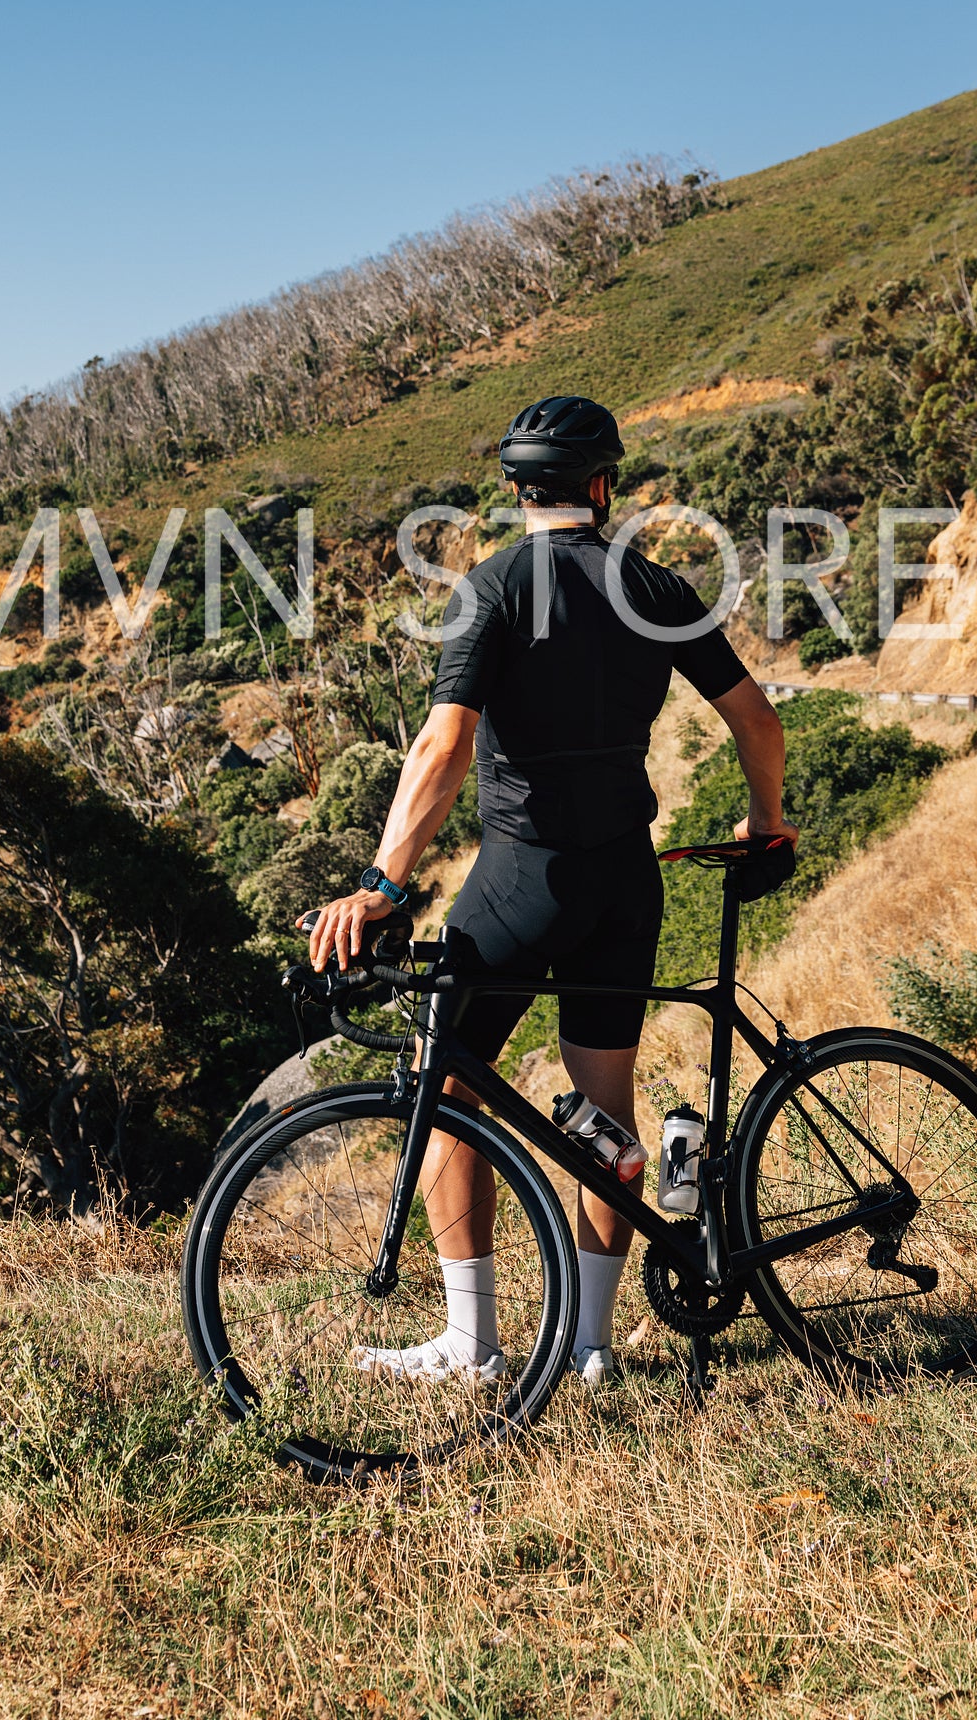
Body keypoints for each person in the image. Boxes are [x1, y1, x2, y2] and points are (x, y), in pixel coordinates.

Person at [307, 393, 797, 1388]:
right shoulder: (654, 585)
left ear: (515, 490)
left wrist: (379, 883)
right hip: (624, 877)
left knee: (444, 1086)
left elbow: (442, 744)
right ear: (602, 485)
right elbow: (756, 718)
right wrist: (762, 820)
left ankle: (470, 1343)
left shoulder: (489, 587)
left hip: (523, 876)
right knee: (601, 1106)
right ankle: (589, 1343)